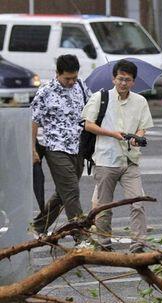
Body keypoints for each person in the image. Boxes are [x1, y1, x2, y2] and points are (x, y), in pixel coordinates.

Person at [82, 59, 153, 253]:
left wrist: (137, 138)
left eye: (128, 80)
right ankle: (104, 243)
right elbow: (88, 124)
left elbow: (142, 127)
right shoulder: (100, 98)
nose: (123, 83)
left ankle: (138, 245)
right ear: (114, 79)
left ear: (133, 82)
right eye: (120, 79)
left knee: (137, 203)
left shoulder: (140, 101)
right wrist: (112, 133)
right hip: (106, 159)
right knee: (104, 206)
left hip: (130, 160)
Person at [31, 54, 91, 245]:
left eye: (74, 77)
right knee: (72, 191)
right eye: (67, 78)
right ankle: (81, 235)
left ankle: (38, 226)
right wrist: (31, 148)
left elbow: (92, 110)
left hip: (78, 147)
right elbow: (33, 121)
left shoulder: (80, 87)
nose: (71, 82)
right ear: (57, 74)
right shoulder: (46, 91)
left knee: (63, 193)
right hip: (55, 147)